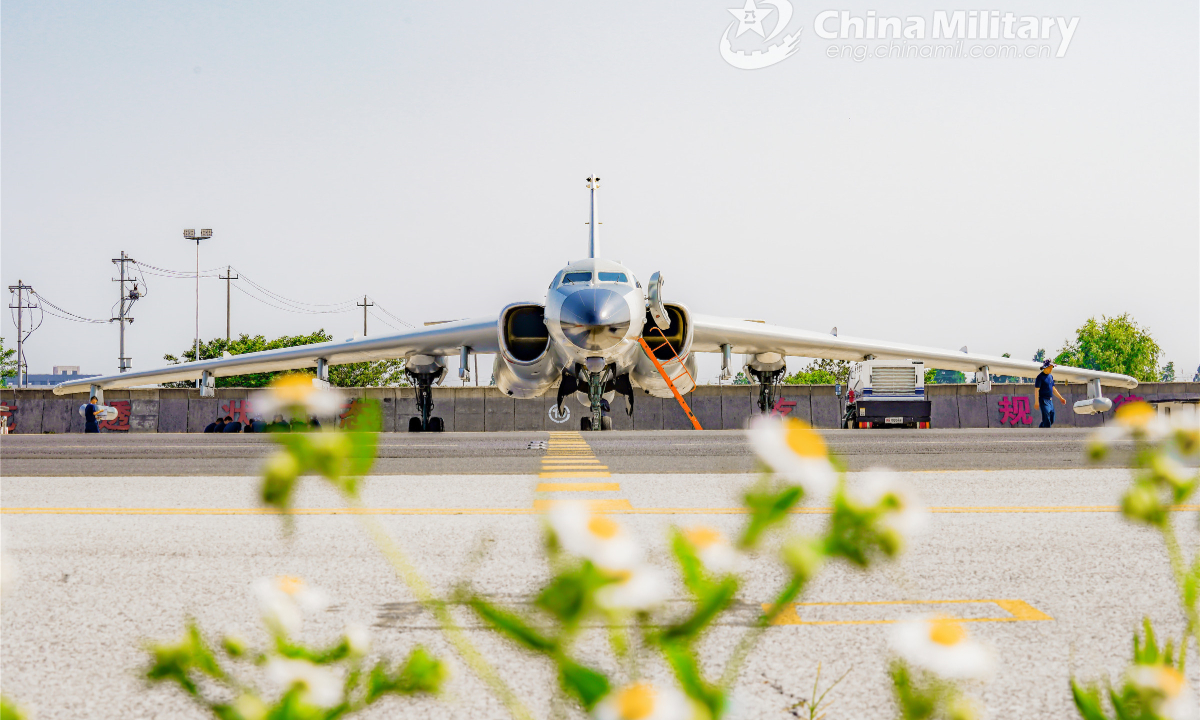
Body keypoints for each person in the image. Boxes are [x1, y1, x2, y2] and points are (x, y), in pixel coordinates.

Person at [1033, 359, 1067, 428]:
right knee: (1046, 419)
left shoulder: (1050, 376)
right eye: (1050, 368)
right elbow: (1036, 390)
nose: (1051, 369)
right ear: (1045, 367)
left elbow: (1053, 389)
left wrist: (1061, 398)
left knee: (1052, 418)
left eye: (1051, 368)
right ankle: (1046, 435)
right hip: (1043, 400)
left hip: (1050, 400)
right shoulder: (1040, 377)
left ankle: (1041, 428)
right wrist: (1036, 402)